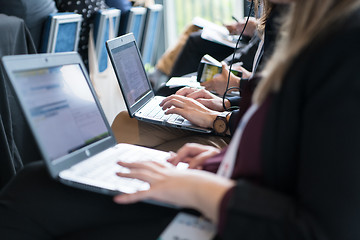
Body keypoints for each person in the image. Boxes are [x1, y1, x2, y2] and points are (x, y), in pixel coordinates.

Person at [2, 0, 360, 239]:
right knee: (45, 179)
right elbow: (298, 148)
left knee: (30, 191)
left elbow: (324, 227)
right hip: (229, 183)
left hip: (228, 211)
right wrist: (222, 161)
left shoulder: (344, 44)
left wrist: (197, 183)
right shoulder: (316, 31)